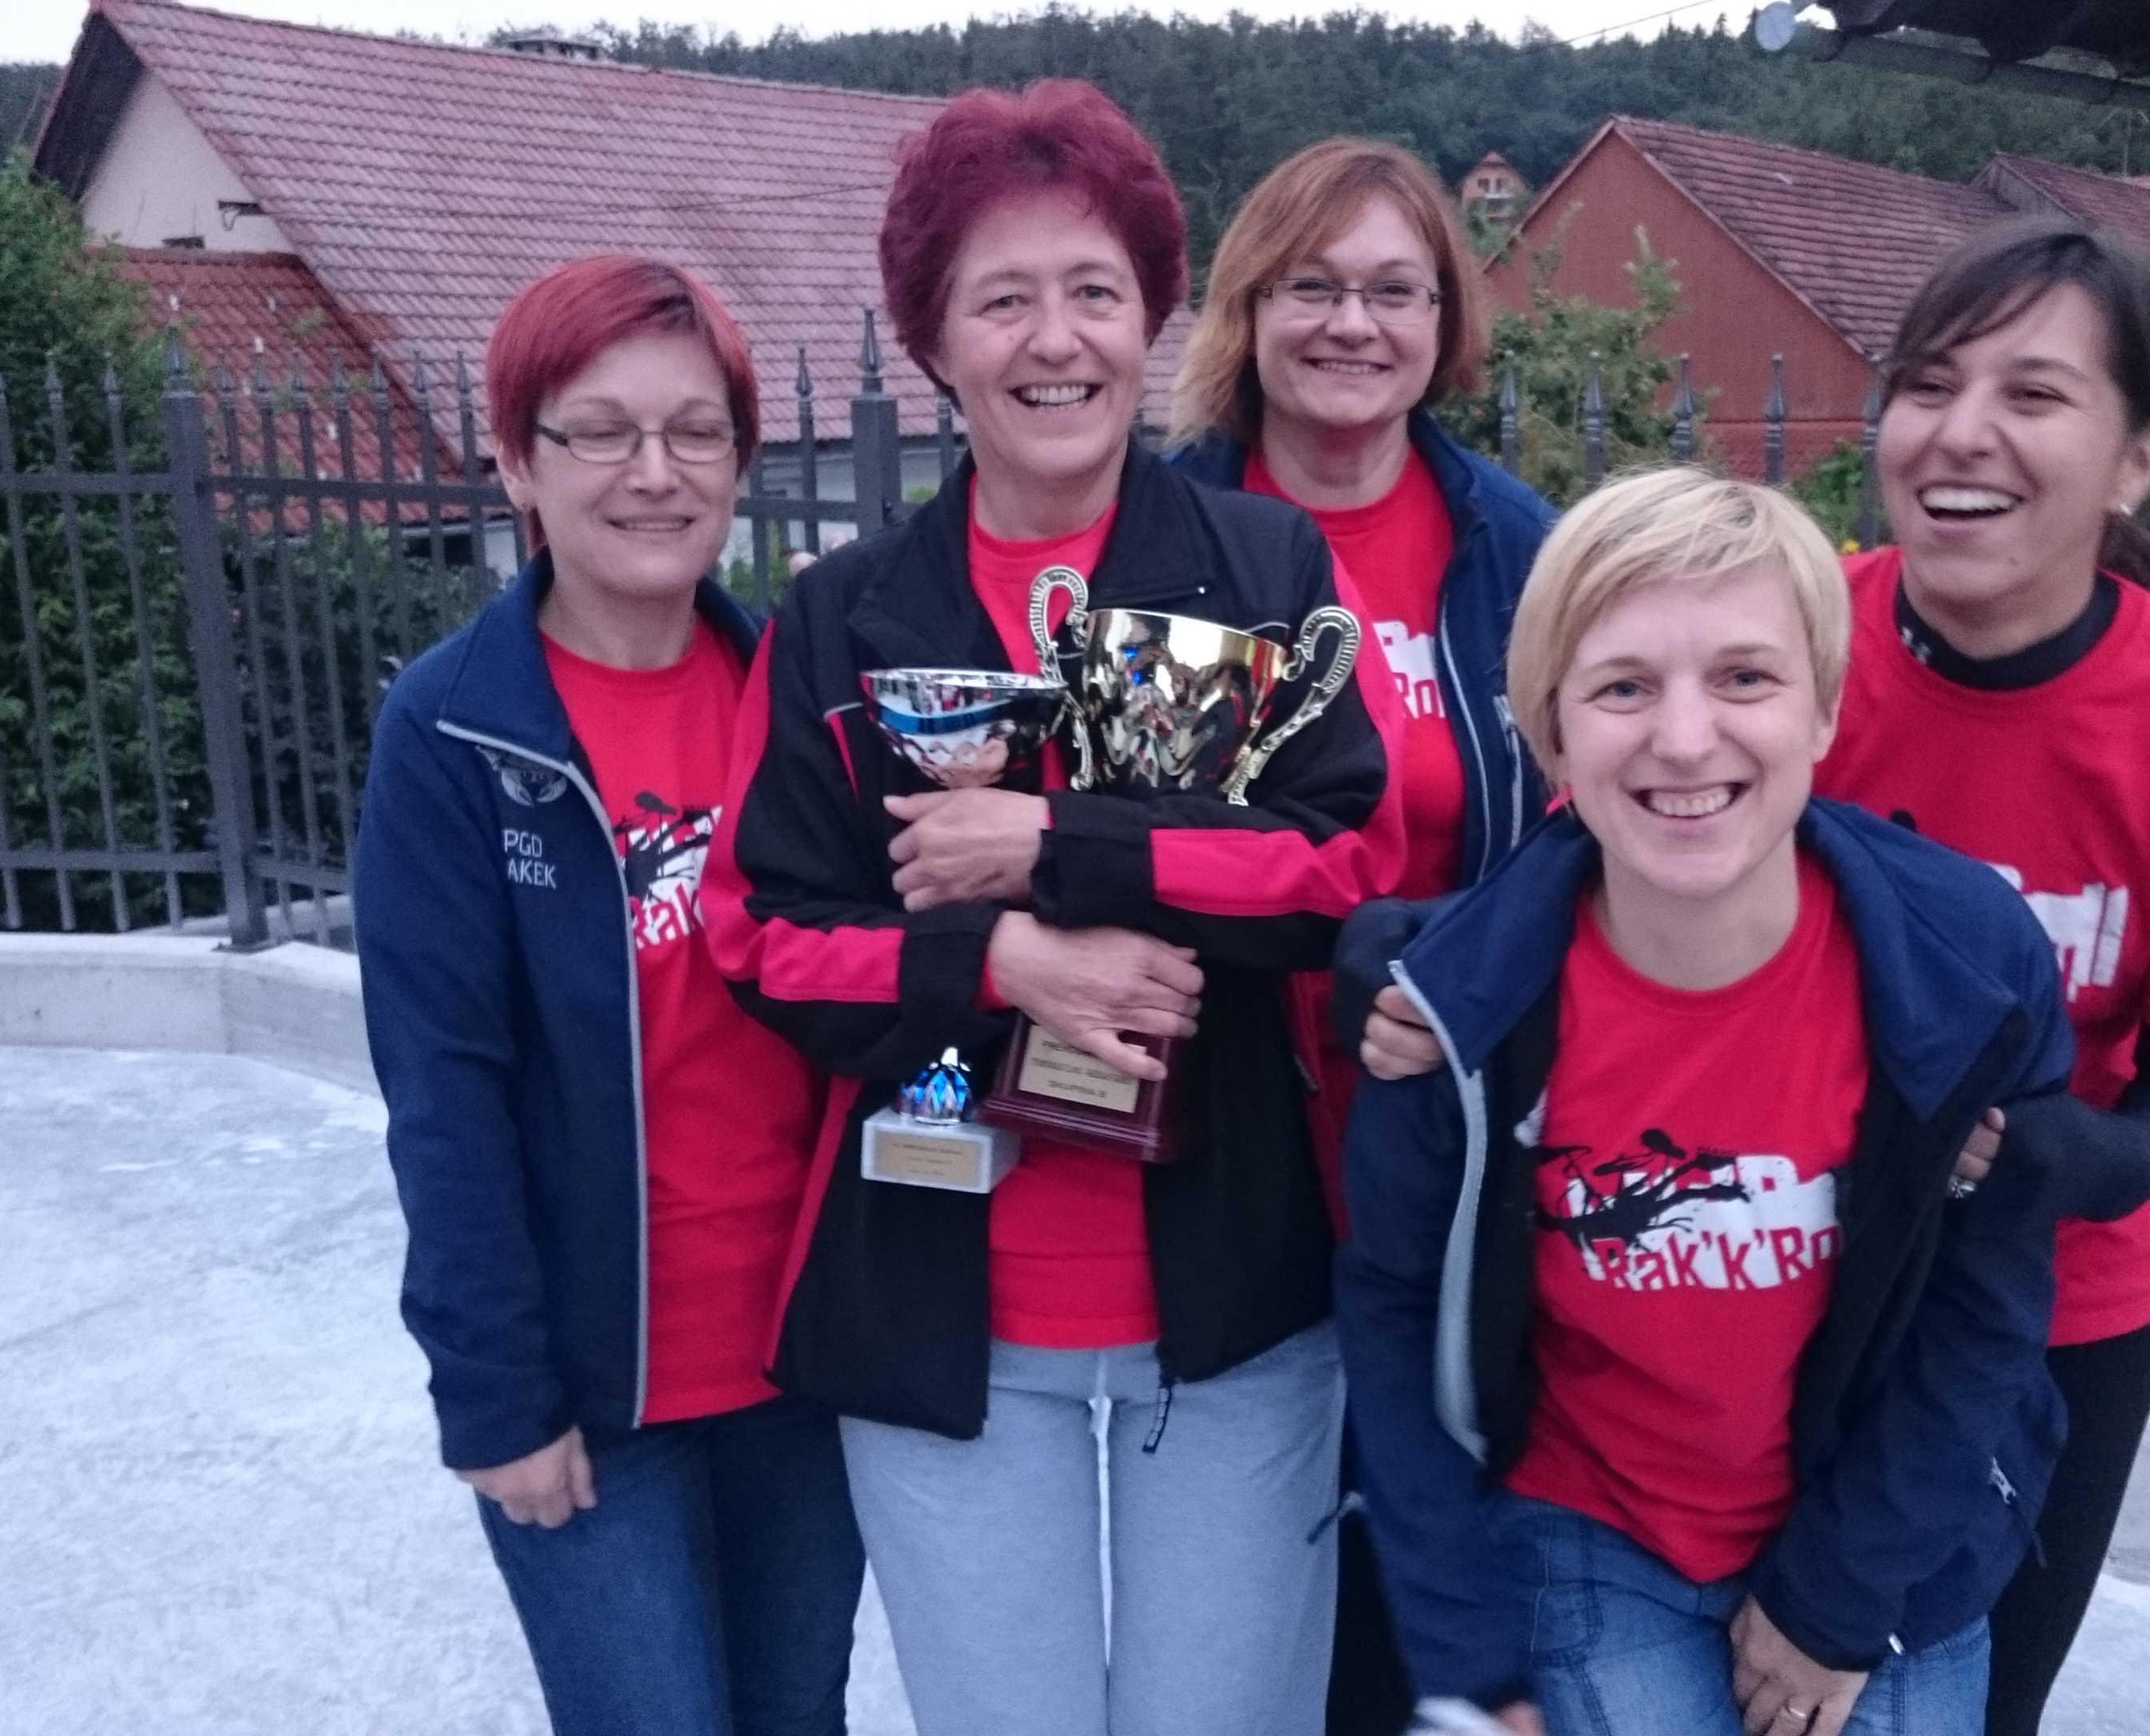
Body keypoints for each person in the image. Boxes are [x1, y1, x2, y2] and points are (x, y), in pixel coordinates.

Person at [1353, 219, 2150, 1735]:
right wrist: (1423, 954)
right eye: (1930, 383)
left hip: (2023, 1300)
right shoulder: (1775, 625)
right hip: (1680, 1359)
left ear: (2141, 458)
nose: (1965, 430)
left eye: (2034, 393)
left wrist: (2087, 1157)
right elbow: (1593, 833)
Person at [704, 80, 1407, 1736]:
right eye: (1001, 298)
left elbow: (1344, 866)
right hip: (941, 1302)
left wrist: (1054, 847)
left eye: (1094, 289)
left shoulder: (1260, 572)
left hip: (1230, 1300)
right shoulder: (844, 617)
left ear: (1152, 317)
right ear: (932, 343)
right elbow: (761, 936)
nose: (1054, 338)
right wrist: (1001, 959)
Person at [1336, 466, 2076, 1736]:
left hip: (1888, 1523)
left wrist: (1838, 1604)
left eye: (1744, 677)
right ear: (1552, 735)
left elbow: (1986, 1310)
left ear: (1825, 709)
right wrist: (1469, 1655)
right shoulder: (1458, 1010)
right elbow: (1395, 1312)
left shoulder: (1964, 965)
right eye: (1624, 687)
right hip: (1596, 1524)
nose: (1685, 740)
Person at [351, 255, 863, 1735]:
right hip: (594, 1397)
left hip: (811, 1365)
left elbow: (898, 1009)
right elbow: (443, 1093)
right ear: (520, 460)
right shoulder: (455, 731)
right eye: (600, 431)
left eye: (696, 432)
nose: (655, 473)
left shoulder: (804, 699)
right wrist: (493, 1395)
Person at [1164, 136, 1557, 1735]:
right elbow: (1167, 844)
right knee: (1252, 1598)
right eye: (1312, 285)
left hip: (1443, 1134)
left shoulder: (1513, 548)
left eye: (1396, 289)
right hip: (1231, 1128)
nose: (1352, 323)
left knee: (1428, 1560)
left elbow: (1588, 837)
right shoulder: (1174, 536)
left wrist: (1460, 974)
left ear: (1445, 320)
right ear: (1249, 307)